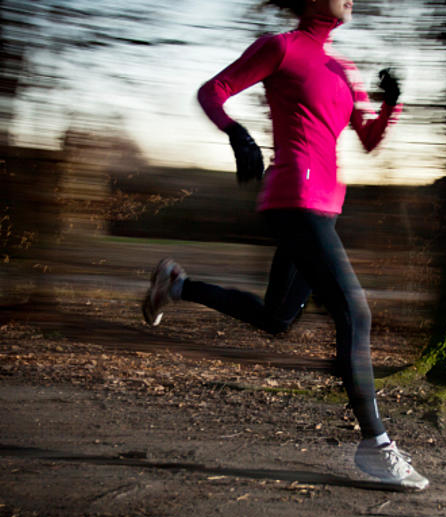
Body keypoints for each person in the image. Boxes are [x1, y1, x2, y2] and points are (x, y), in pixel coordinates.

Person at [142, 0, 428, 491]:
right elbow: (213, 91)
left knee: (277, 318)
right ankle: (375, 446)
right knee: (355, 314)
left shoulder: (344, 68)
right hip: (293, 196)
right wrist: (237, 135)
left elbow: (367, 138)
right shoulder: (282, 48)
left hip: (325, 205)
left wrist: (391, 103)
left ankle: (177, 284)